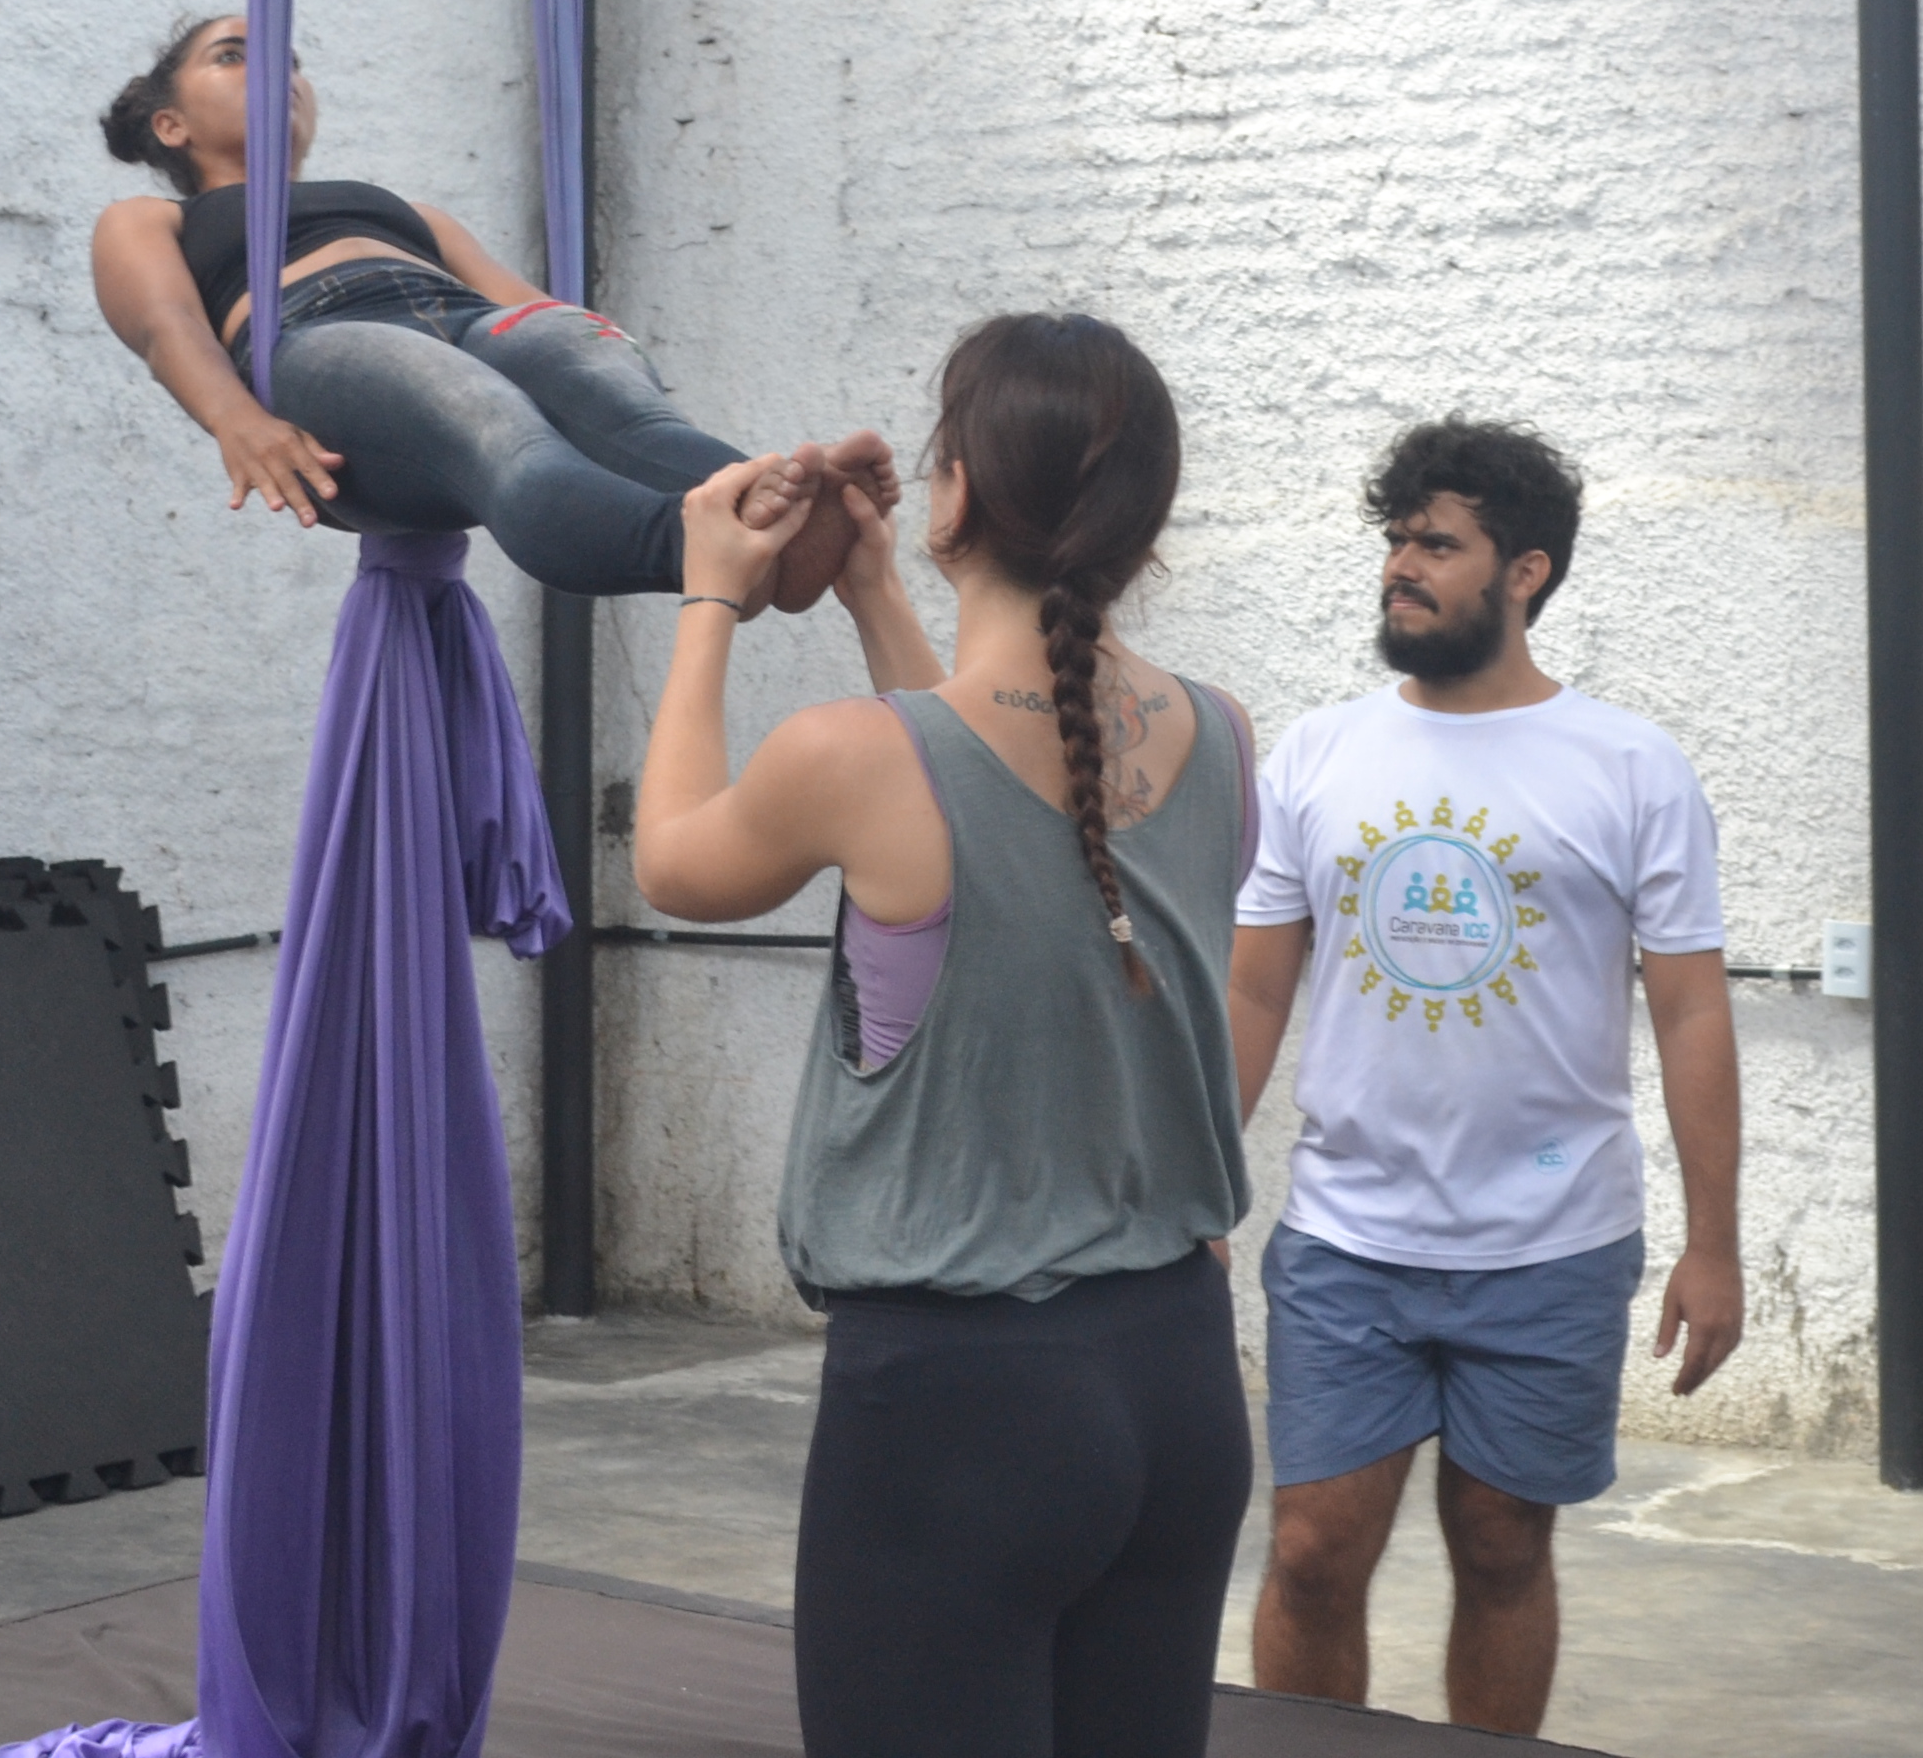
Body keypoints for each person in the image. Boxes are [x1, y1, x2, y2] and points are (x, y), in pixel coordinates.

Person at [630, 312, 1256, 1758]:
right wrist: (867, 590)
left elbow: (671, 861)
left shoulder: (848, 759)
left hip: (964, 1409)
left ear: (957, 492)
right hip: (1175, 1381)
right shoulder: (1219, 734)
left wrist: (710, 594)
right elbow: (983, 781)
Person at [1229, 419, 1740, 1739]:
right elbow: (1255, 991)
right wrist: (1191, 1185)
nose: (1401, 566)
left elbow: (1690, 1011)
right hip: (1348, 1236)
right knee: (1311, 1551)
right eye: (1396, 540)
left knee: (1505, 1547)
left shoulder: (1631, 765)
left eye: (1437, 545)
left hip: (1553, 1240)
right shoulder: (1317, 756)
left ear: (1525, 572)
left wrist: (1715, 1245)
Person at [88, 13, 873, 599]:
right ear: (170, 124)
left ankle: (783, 521)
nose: (276, 71)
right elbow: (166, 327)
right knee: (499, 428)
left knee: (618, 410)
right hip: (321, 335)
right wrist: (238, 422)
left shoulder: (406, 212)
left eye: (289, 60)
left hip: (465, 318)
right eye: (233, 55)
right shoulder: (150, 219)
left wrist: (594, 344)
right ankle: (695, 545)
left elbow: (521, 306)